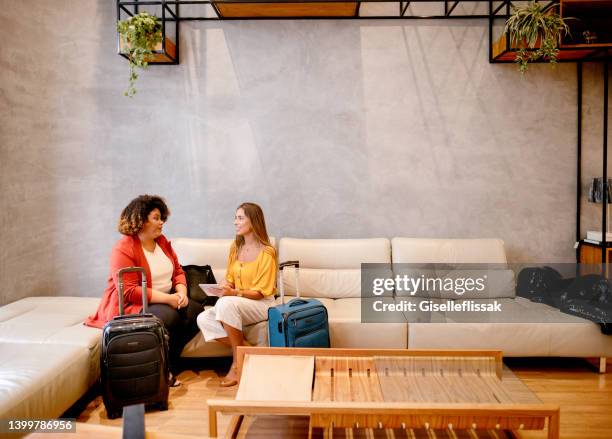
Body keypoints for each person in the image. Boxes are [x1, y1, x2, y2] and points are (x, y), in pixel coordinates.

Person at [85, 195, 201, 386]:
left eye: (162, 218)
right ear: (140, 219)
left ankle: (167, 365)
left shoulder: (162, 241)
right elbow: (129, 291)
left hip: (166, 298)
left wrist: (181, 293)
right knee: (168, 317)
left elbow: (178, 271)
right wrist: (169, 299)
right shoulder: (123, 248)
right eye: (156, 218)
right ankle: (162, 372)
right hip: (133, 304)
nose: (161, 222)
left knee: (195, 311)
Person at [197, 202, 277, 387]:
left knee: (226, 304)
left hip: (262, 304)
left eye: (240, 218)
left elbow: (259, 293)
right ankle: (250, 352)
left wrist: (233, 293)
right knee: (203, 319)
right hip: (238, 301)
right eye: (235, 218)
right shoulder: (235, 247)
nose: (235, 222)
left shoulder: (267, 252)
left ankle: (237, 364)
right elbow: (230, 278)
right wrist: (224, 287)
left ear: (254, 221)